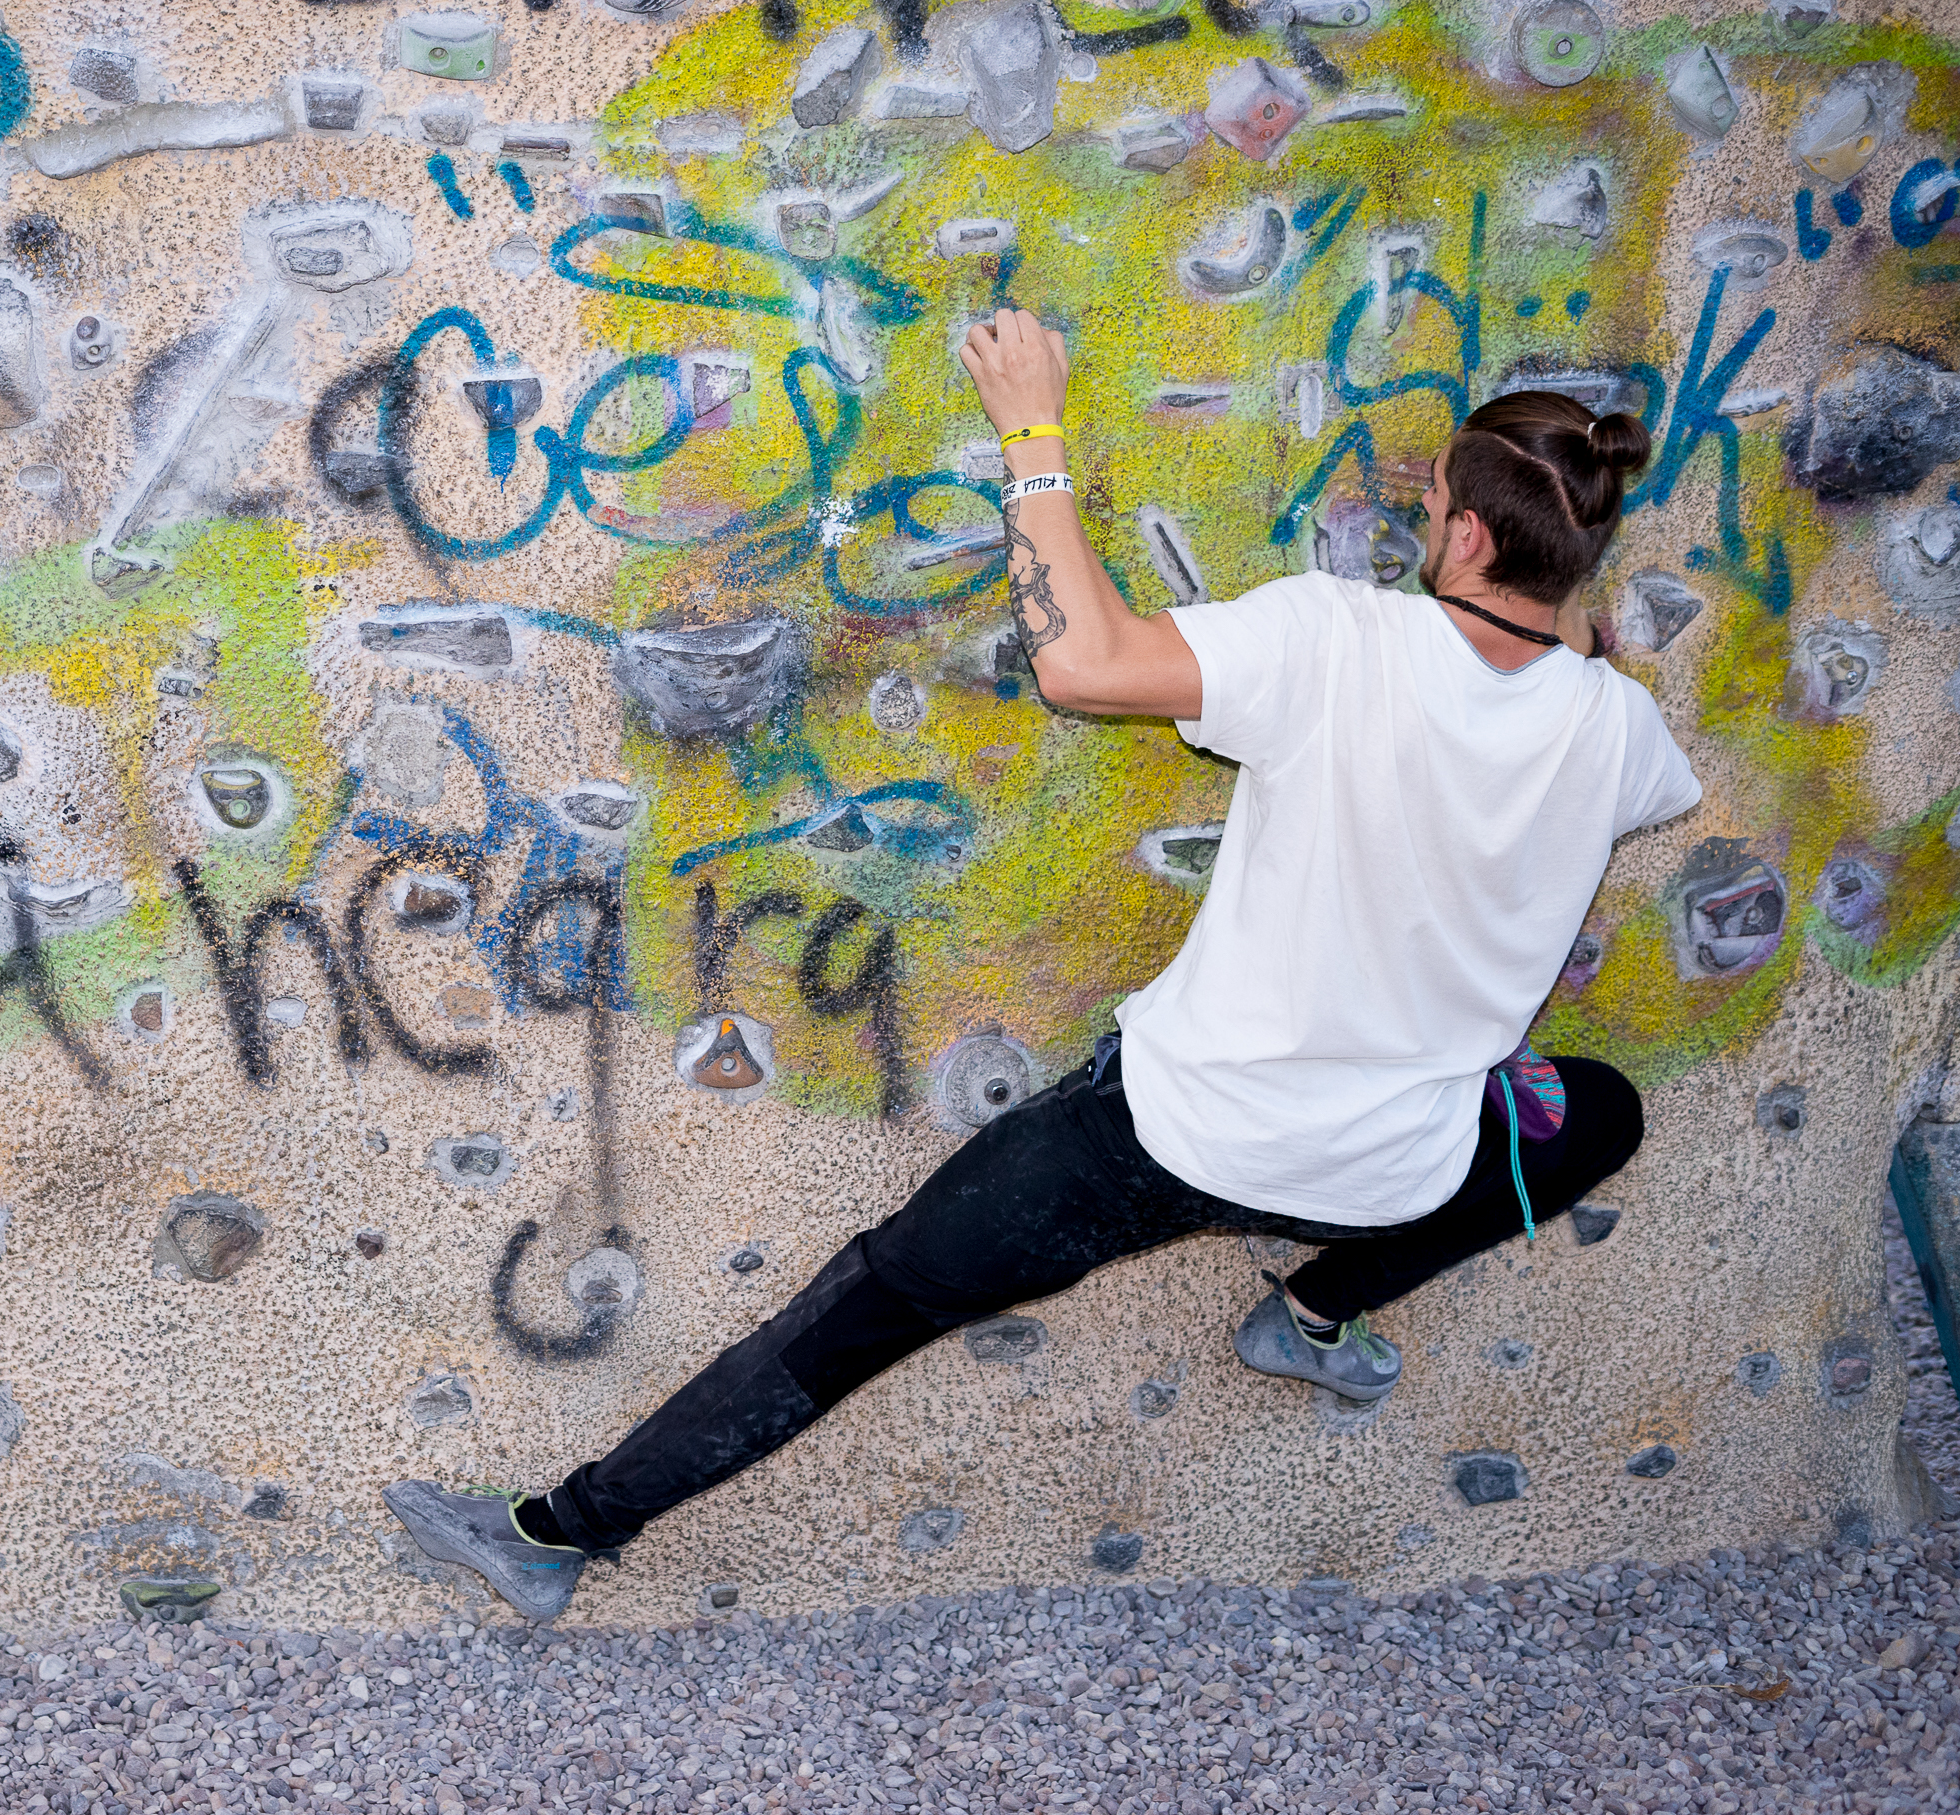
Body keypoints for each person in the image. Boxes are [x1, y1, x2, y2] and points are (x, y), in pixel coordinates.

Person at [385, 311, 1704, 1623]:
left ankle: (561, 1534)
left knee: (865, 1308)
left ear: (1465, 534)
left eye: (1431, 505)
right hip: (1389, 1173)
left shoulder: (1340, 641)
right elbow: (1582, 708)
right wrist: (1573, 648)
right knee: (1602, 1113)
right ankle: (1312, 1313)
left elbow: (1084, 663)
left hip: (1169, 1135)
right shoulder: (1617, 728)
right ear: (1578, 555)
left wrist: (1033, 428)